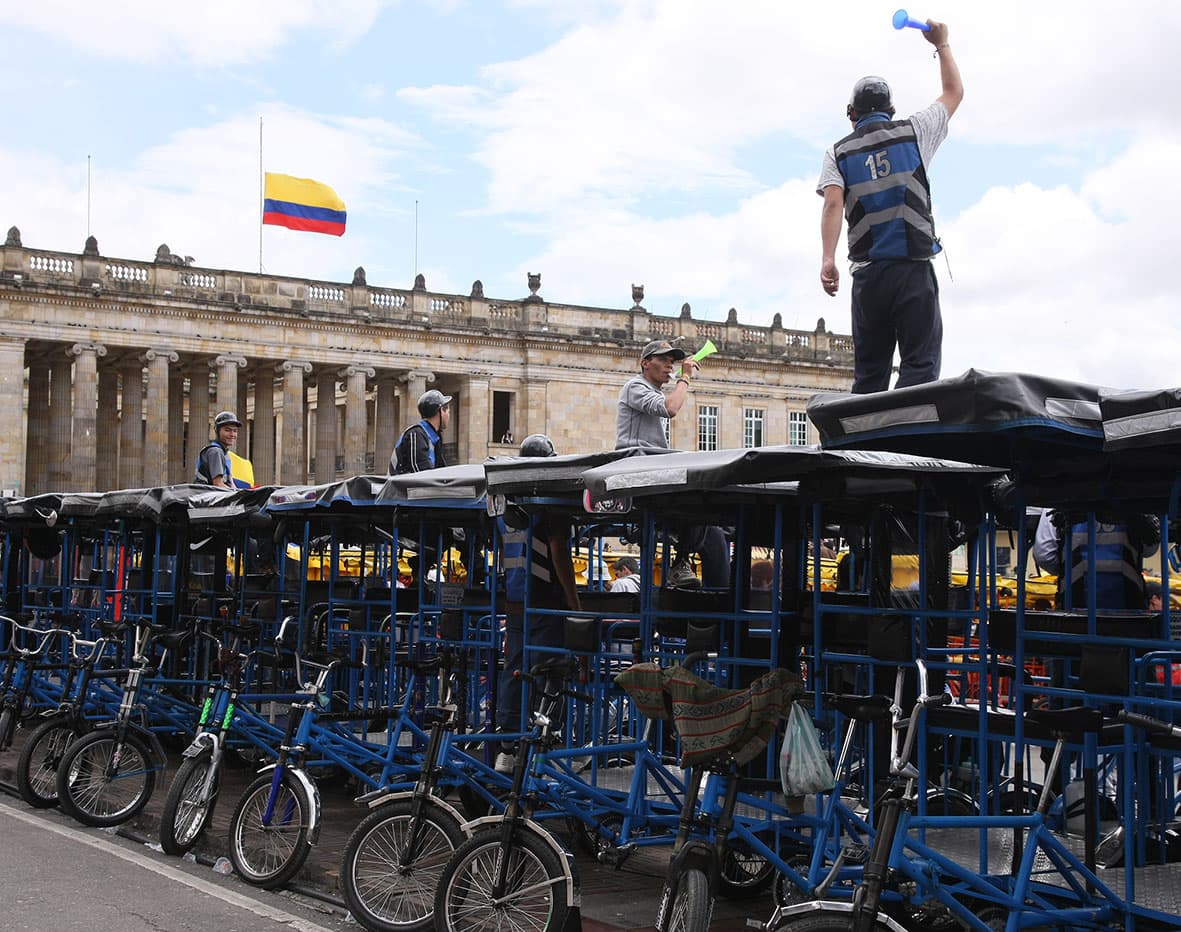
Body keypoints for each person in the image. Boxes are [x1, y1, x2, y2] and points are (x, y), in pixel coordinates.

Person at [817, 20, 963, 394]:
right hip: (912, 268)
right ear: (892, 108)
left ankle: (862, 447)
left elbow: (833, 204)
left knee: (869, 375)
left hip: (868, 277)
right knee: (920, 367)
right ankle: (906, 441)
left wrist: (828, 259)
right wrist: (941, 44)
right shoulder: (914, 131)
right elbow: (953, 92)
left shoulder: (838, 152)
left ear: (851, 112)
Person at [495, 433, 581, 772]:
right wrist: (575, 605)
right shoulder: (549, 503)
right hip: (545, 603)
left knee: (516, 672)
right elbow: (559, 553)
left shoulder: (506, 506)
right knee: (551, 673)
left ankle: (508, 745)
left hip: (515, 602)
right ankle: (548, 740)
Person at [616, 340, 729, 588]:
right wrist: (685, 377)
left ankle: (716, 598)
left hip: (653, 469)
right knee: (697, 494)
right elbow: (670, 408)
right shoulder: (635, 386)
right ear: (645, 363)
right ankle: (680, 563)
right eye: (663, 360)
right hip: (636, 470)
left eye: (672, 361)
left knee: (715, 535)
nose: (669, 365)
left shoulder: (652, 390)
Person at [391, 389, 451, 474]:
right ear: (441, 411)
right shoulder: (416, 435)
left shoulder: (434, 437)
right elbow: (421, 475)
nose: (449, 416)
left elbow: (441, 471)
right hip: (401, 487)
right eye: (448, 412)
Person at [194, 410, 240, 488]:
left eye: (235, 431)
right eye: (227, 430)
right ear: (217, 431)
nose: (232, 434)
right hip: (208, 497)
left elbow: (232, 485)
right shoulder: (215, 451)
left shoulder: (224, 453)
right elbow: (218, 484)